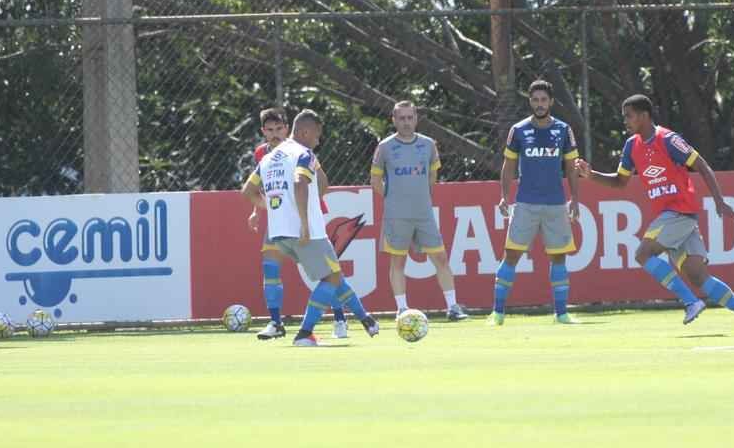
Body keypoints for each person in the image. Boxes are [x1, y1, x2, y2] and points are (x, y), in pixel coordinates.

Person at [576, 94, 734, 334]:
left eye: (629, 115)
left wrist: (719, 201)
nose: (625, 120)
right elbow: (619, 182)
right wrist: (590, 174)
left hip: (679, 211)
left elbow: (701, 165)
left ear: (644, 115)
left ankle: (690, 302)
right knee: (700, 278)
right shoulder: (631, 146)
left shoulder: (668, 139)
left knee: (643, 254)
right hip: (675, 218)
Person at [242, 109, 378, 346]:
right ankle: (305, 333)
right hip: (306, 231)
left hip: (278, 232)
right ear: (305, 132)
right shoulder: (303, 154)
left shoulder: (267, 158)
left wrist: (272, 210)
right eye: (317, 135)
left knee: (332, 273)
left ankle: (364, 319)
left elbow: (247, 191)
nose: (318, 140)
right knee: (332, 279)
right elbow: (300, 183)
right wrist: (305, 223)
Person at [492, 79, 581, 325]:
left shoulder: (564, 130)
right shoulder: (518, 130)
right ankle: (497, 313)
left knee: (559, 258)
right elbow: (508, 165)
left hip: (555, 203)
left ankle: (561, 314)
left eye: (544, 100)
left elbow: (571, 167)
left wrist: (575, 198)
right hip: (526, 203)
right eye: (535, 100)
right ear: (530, 101)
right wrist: (504, 195)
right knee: (511, 255)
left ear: (551, 102)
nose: (540, 104)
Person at [370, 100, 469, 320]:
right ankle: (402, 309)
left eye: (410, 117)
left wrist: (421, 198)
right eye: (401, 118)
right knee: (398, 261)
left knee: (441, 258)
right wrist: (393, 198)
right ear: (394, 120)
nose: (406, 122)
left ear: (416, 118)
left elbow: (432, 177)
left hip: (424, 213)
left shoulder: (428, 145)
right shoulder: (385, 147)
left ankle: (453, 307)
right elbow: (375, 181)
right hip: (397, 215)